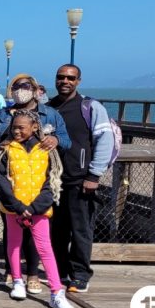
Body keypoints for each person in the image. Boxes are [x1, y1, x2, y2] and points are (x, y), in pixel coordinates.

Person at [0, 73, 70, 291]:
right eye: (16, 86)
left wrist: (56, 139)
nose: (21, 90)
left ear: (36, 89)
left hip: (38, 181)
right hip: (11, 179)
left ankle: (32, 273)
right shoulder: (2, 114)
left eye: (26, 86)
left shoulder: (50, 114)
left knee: (35, 231)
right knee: (11, 229)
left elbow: (67, 141)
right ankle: (12, 272)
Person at [0, 109, 76, 308]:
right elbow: (1, 180)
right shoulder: (7, 150)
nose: (17, 131)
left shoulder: (46, 150)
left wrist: (35, 207)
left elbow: (51, 182)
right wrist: (18, 206)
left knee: (45, 248)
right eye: (14, 128)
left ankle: (56, 292)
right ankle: (17, 281)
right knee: (14, 244)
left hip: (39, 209)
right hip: (14, 208)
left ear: (35, 127)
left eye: (21, 127)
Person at [47, 64, 115, 293]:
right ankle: (60, 271)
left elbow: (105, 140)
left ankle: (80, 275)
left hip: (81, 179)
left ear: (78, 81)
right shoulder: (49, 108)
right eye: (61, 77)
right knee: (56, 229)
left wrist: (94, 174)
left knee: (81, 229)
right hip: (53, 181)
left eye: (70, 78)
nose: (65, 81)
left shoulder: (90, 107)